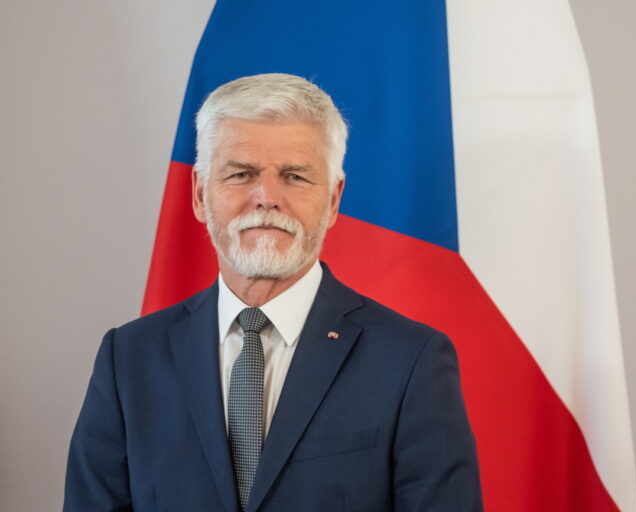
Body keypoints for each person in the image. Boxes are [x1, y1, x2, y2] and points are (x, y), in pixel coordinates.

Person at [64, 73, 482, 512]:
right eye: (241, 173)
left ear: (334, 200)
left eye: (296, 176)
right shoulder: (128, 359)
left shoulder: (411, 361)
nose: (267, 197)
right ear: (200, 196)